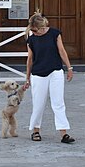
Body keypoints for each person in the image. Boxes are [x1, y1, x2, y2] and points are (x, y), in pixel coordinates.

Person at [25, 12, 75, 144]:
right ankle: (35, 130)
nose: (34, 33)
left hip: (55, 71)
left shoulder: (55, 34)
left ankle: (63, 133)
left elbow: (62, 51)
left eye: (35, 30)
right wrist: (27, 77)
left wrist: (69, 68)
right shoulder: (31, 39)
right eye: (32, 31)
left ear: (42, 28)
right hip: (38, 73)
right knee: (38, 103)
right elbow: (30, 59)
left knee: (58, 103)